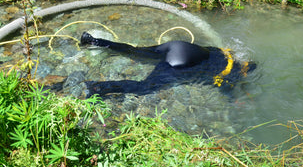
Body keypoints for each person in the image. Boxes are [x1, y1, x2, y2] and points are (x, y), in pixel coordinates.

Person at [81, 32, 255, 97]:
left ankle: (93, 40)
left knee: (135, 52)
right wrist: (234, 99)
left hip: (177, 46)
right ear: (244, 70)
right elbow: (224, 89)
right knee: (144, 88)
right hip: (180, 63)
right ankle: (97, 87)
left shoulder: (228, 53)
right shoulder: (232, 73)